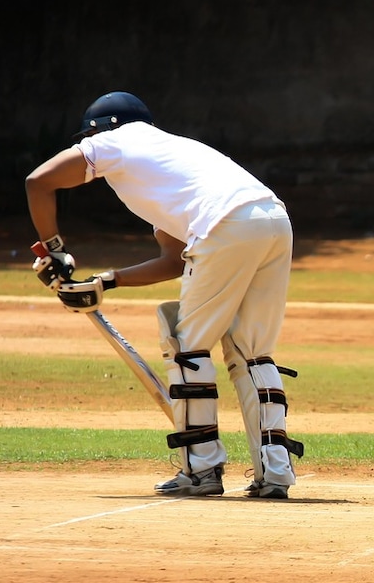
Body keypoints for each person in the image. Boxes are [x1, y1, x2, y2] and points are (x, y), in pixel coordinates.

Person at [25, 91, 301, 499]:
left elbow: (39, 181)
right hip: (274, 221)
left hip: (224, 225)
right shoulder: (173, 158)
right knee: (251, 351)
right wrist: (106, 281)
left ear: (101, 129)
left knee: (188, 347)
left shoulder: (114, 141)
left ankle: (201, 469)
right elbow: (174, 260)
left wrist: (53, 248)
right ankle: (275, 472)